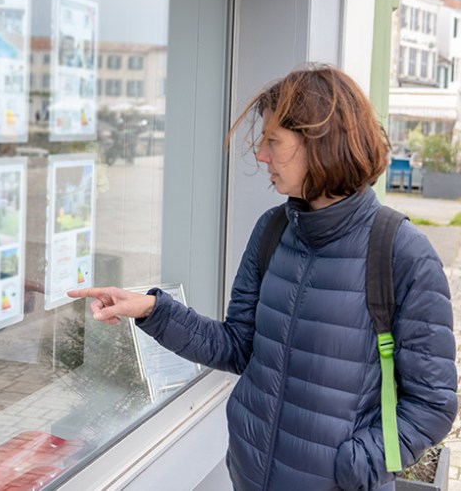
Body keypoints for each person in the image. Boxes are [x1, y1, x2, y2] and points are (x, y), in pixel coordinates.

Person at [69, 65, 457, 491]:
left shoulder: (401, 251)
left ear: (320, 143)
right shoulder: (273, 230)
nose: (260, 155)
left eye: (273, 141)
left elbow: (432, 404)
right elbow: (237, 347)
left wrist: (355, 467)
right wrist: (152, 309)